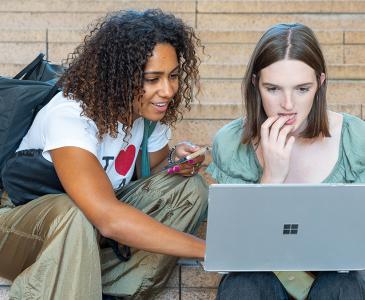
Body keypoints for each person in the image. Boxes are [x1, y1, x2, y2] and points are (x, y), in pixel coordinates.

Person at [0, 9, 208, 300]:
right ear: (119, 77)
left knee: (189, 189)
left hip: (90, 234)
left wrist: (176, 161)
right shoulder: (70, 116)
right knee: (75, 213)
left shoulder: (147, 112)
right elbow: (108, 218)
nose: (168, 90)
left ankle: (106, 287)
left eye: (173, 75)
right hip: (23, 232)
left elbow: (151, 171)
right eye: (152, 78)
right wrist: (209, 250)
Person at [206, 23, 365, 300]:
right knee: (242, 286)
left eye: (302, 89)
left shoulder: (355, 139)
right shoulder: (231, 143)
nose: (288, 104)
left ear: (320, 83)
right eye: (273, 88)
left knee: (343, 286)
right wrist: (271, 179)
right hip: (263, 277)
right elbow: (236, 251)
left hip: (337, 279)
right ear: (255, 83)